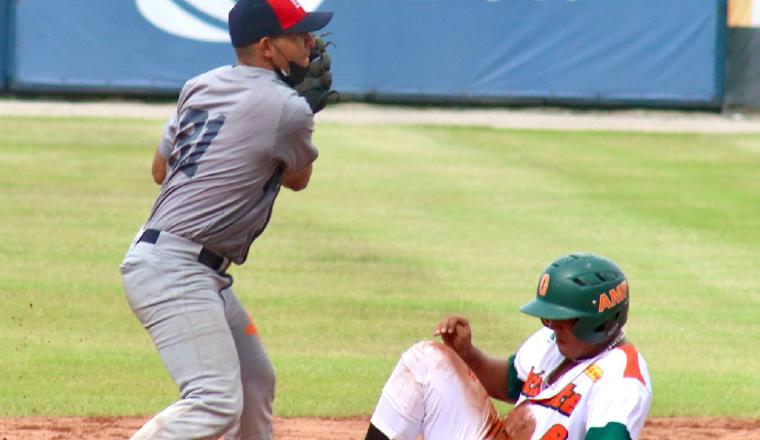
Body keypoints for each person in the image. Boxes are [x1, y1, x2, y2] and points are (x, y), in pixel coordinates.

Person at [119, 1, 333, 439]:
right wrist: (306, 110)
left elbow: (160, 171)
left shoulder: (200, 85)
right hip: (178, 270)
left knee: (254, 380)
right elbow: (298, 180)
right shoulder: (286, 108)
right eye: (299, 36)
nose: (310, 43)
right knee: (214, 401)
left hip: (175, 262)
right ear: (267, 47)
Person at [365, 253, 652, 440]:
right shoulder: (550, 342)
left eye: (563, 319)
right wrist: (468, 355)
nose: (552, 325)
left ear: (599, 321)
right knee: (425, 359)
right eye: (548, 317)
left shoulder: (622, 380)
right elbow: (509, 384)